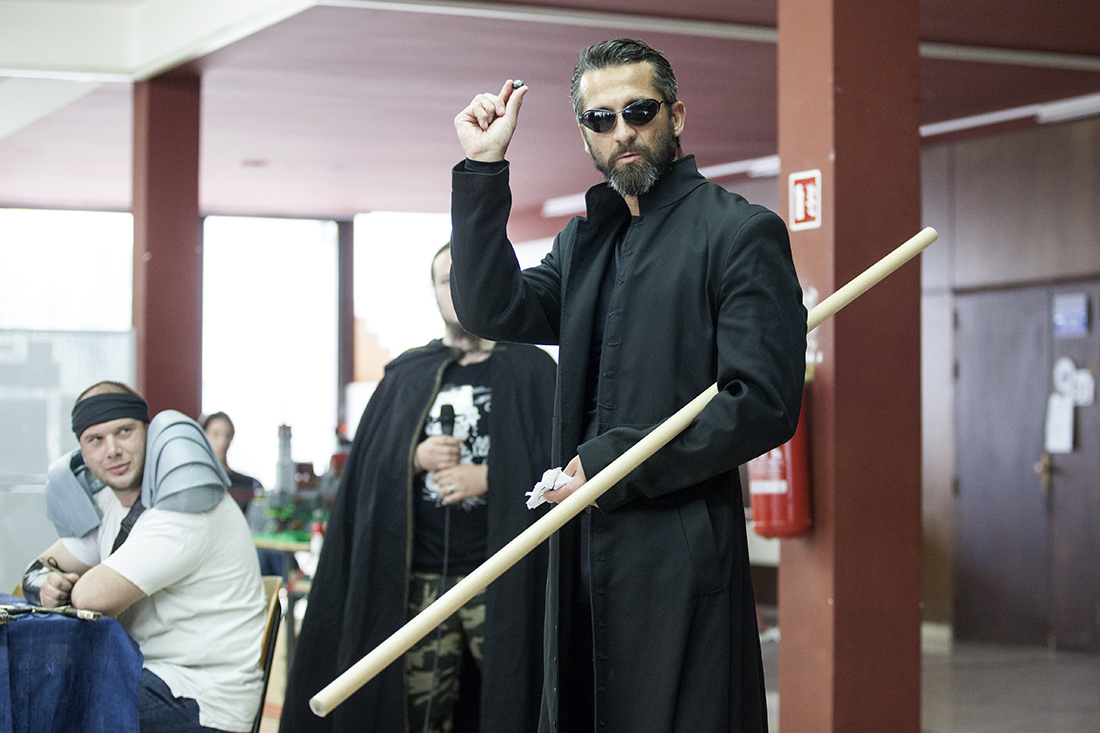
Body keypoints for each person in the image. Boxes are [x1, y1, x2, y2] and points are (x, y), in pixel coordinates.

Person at [450, 38, 807, 733]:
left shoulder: (739, 233)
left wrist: (611, 460)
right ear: (585, 133)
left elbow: (762, 404)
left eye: (639, 111)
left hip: (679, 563)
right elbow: (491, 309)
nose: (623, 132)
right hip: (581, 553)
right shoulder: (584, 243)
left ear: (676, 115)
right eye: (601, 119)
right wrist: (483, 169)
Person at [279, 244, 557, 733]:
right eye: (446, 280)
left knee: (516, 702)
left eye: (468, 274)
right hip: (421, 580)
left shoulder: (534, 370)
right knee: (419, 712)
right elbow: (365, 471)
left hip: (504, 579)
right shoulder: (407, 374)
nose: (458, 289)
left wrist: (489, 478)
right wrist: (413, 455)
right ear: (433, 292)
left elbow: (564, 466)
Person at [23, 381, 267, 733]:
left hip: (201, 698)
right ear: (82, 452)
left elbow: (91, 598)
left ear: (149, 433)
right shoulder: (108, 504)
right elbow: (36, 569)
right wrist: (46, 585)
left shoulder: (187, 504)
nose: (112, 450)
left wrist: (63, 587)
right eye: (96, 439)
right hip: (145, 673)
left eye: (124, 431)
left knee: (49, 703)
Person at [203, 411, 263, 514]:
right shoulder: (197, 484)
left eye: (227, 435)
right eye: (215, 434)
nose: (222, 442)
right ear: (204, 436)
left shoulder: (249, 485)